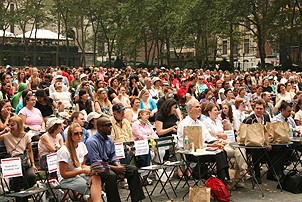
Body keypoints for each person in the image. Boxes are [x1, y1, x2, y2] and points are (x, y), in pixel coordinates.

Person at [85, 117, 145, 202]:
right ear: (100, 127)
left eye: (111, 124)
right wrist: (116, 169)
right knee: (111, 176)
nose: (111, 127)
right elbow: (97, 164)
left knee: (133, 170)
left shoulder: (109, 140)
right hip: (96, 169)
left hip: (109, 165)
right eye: (108, 125)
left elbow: (113, 155)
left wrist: (119, 167)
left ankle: (136, 199)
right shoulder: (92, 142)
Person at [177, 99, 231, 186]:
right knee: (218, 154)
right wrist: (210, 145)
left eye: (200, 107)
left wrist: (218, 142)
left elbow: (208, 137)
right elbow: (187, 144)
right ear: (190, 109)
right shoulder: (184, 124)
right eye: (197, 107)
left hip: (203, 150)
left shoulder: (200, 123)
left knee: (221, 151)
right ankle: (223, 180)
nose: (199, 109)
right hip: (191, 153)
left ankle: (224, 179)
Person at [242, 99, 287, 183]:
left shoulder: (266, 117)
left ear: (264, 109)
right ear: (254, 109)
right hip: (252, 144)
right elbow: (247, 136)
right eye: (257, 108)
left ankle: (273, 172)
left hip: (265, 142)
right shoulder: (249, 120)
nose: (259, 110)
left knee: (281, 148)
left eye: (261, 109)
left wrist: (269, 143)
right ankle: (257, 174)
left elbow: (269, 131)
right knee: (256, 149)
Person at [57, 123, 102, 202]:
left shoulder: (82, 145)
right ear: (70, 136)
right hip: (66, 179)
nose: (79, 135)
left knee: (96, 177)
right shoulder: (64, 151)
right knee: (93, 188)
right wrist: (82, 170)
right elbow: (63, 174)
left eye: (81, 133)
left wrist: (91, 168)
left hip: (79, 173)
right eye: (76, 133)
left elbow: (83, 165)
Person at [0, 116, 37, 201]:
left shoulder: (26, 136)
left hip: (24, 161)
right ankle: (18, 197)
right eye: (9, 125)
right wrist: (2, 132)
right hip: (13, 162)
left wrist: (33, 164)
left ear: (19, 125)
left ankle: (26, 196)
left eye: (12, 125)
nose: (10, 127)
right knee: (17, 177)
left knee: (31, 175)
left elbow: (30, 151)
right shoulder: (6, 136)